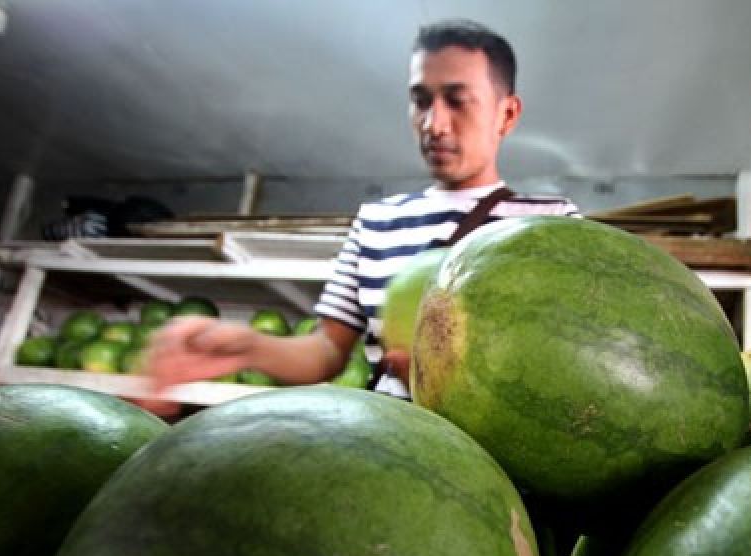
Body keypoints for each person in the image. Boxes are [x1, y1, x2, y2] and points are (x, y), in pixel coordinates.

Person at [145, 19, 579, 407]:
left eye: (457, 100)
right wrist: (244, 346)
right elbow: (326, 354)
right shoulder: (376, 222)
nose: (434, 123)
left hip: (496, 448)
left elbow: (570, 353)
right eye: (421, 100)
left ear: (506, 114)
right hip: (393, 436)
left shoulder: (551, 224)